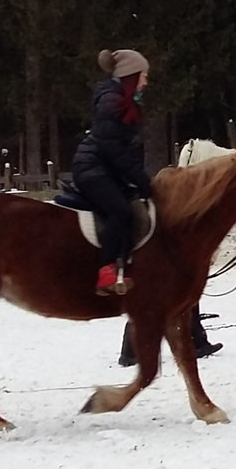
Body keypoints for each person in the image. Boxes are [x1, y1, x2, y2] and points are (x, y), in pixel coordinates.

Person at [73, 49, 153, 296]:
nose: (146, 82)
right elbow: (114, 150)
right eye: (143, 76)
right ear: (131, 76)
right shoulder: (112, 101)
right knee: (120, 210)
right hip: (92, 168)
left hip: (106, 167)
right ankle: (106, 270)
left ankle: (125, 265)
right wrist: (142, 180)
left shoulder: (121, 100)